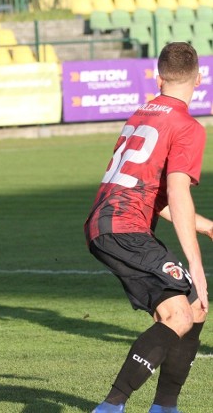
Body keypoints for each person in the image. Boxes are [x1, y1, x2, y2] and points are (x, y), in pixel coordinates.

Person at [86, 41, 208, 413]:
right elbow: (176, 191)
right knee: (183, 309)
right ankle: (110, 407)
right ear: (199, 78)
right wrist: (198, 267)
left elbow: (150, 192)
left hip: (109, 223)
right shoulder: (187, 125)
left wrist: (206, 226)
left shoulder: (142, 114)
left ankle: (164, 407)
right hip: (125, 228)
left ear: (158, 79)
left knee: (193, 309)